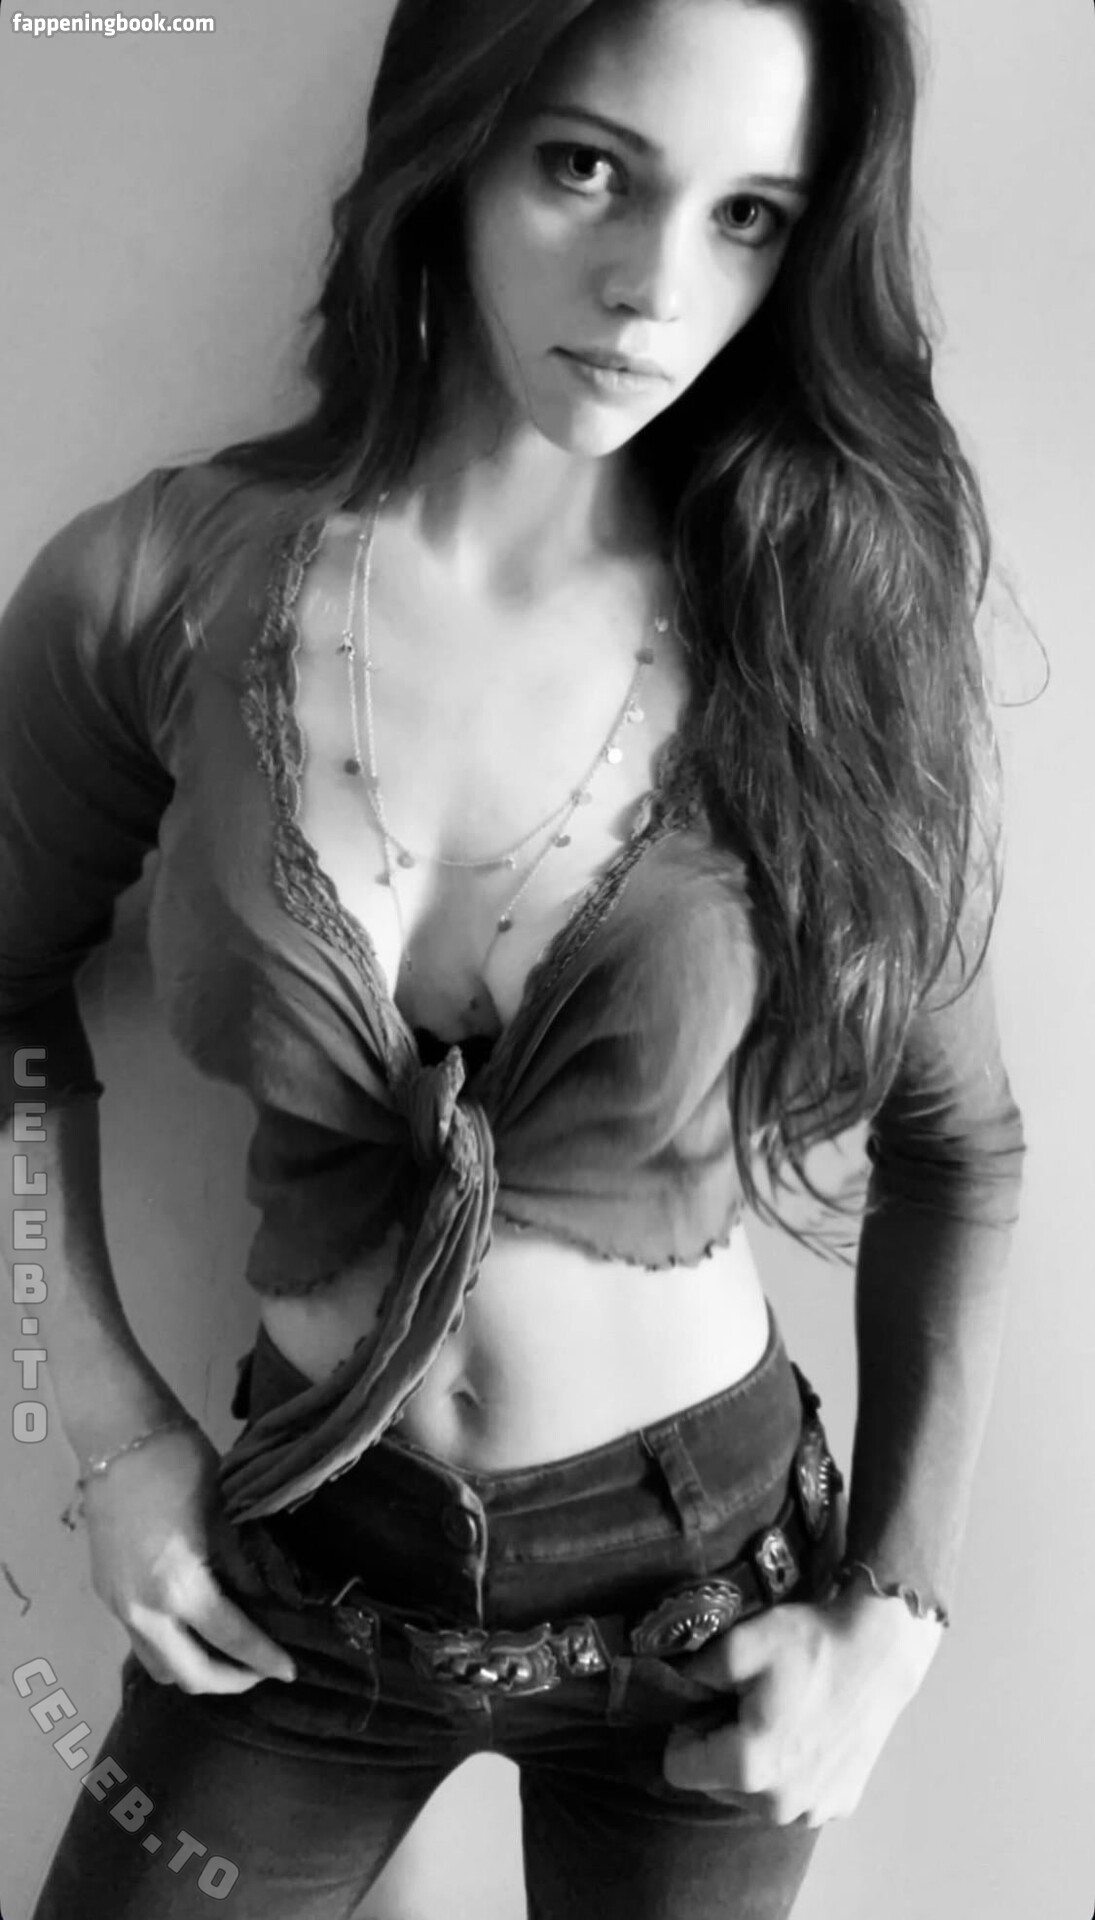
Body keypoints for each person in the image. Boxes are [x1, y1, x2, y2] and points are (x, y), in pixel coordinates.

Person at [1, 0, 1026, 1915]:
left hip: (703, 1603)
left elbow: (964, 1148)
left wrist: (894, 1615)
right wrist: (102, 1423)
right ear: (451, 151)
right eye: (587, 169)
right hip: (299, 1571)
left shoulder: (821, 620)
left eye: (748, 215)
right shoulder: (157, 583)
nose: (653, 288)